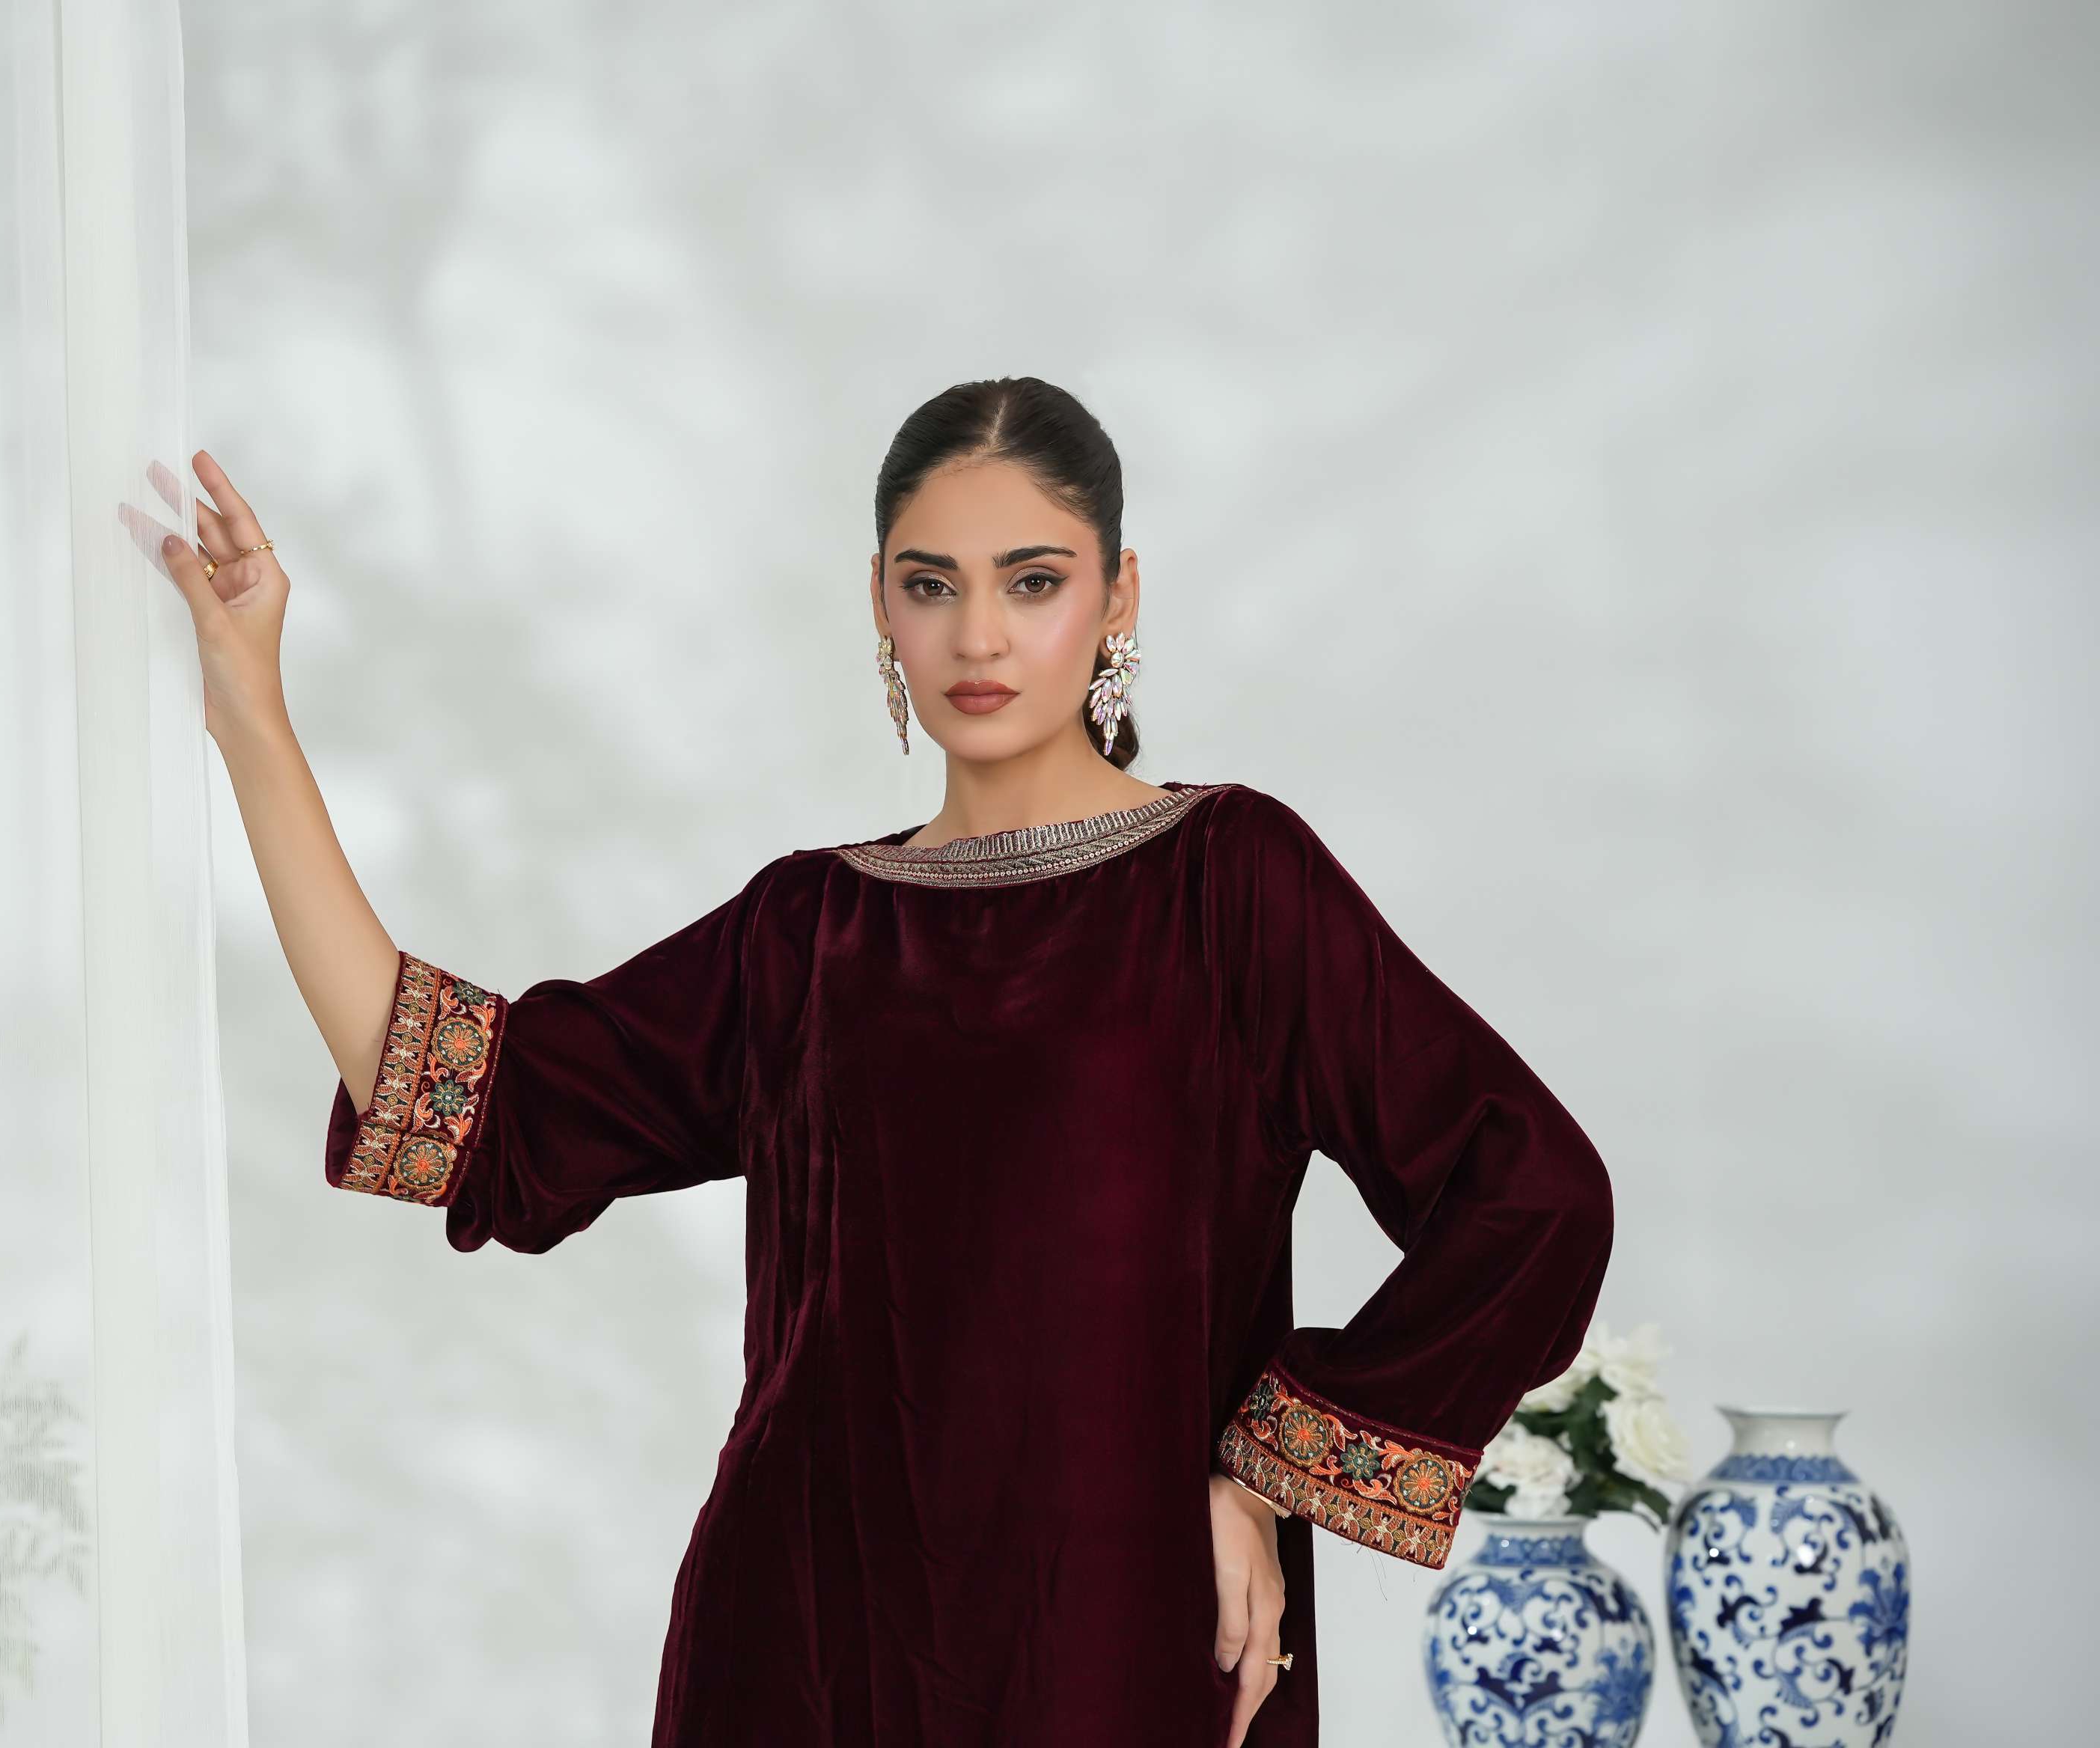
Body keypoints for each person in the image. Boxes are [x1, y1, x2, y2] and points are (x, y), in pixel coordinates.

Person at [159, 376, 1615, 1748]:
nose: (979, 637)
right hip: (807, 1655)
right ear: (880, 603)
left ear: (1118, 595)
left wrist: (1267, 1469)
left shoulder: (1230, 884)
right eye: (933, 585)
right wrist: (255, 719)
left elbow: (1534, 1196)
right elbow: (472, 1104)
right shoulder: (812, 932)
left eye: (1032, 582)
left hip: (1119, 1652)